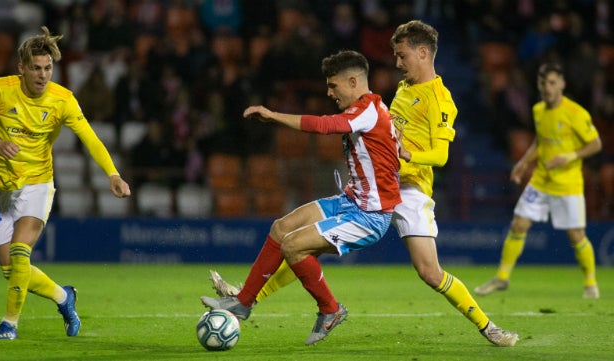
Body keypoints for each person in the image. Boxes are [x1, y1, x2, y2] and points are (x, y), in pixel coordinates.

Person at [207, 20, 519, 347]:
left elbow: (441, 156)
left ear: (423, 53)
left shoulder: (440, 100)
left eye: (402, 55)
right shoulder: (402, 91)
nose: (397, 63)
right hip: (375, 187)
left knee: (430, 273)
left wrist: (408, 155)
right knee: (301, 241)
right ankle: (247, 298)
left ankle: (488, 327)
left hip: (410, 191)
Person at [200, 50, 404, 346]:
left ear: (352, 81)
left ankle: (330, 310)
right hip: (350, 201)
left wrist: (273, 115)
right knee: (281, 228)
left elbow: (324, 126)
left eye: (333, 86)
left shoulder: (368, 110)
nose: (329, 92)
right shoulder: (369, 110)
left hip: (369, 216)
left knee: (293, 246)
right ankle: (242, 303)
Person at [0, 26, 131, 340]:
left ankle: (9, 324)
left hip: (37, 185)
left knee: (19, 253)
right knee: (10, 271)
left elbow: (90, 139)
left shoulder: (62, 100)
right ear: (22, 69)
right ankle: (63, 297)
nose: (43, 75)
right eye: (37, 68)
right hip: (1, 189)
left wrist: (112, 173)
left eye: (48, 68)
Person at [474, 63, 602, 299]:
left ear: (562, 84)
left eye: (552, 83)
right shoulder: (538, 110)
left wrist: (570, 156)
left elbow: (595, 144)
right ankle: (502, 278)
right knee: (518, 224)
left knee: (576, 236)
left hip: (568, 183)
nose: (547, 88)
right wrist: (523, 163)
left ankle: (590, 283)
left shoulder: (576, 113)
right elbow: (540, 142)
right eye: (543, 83)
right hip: (541, 180)